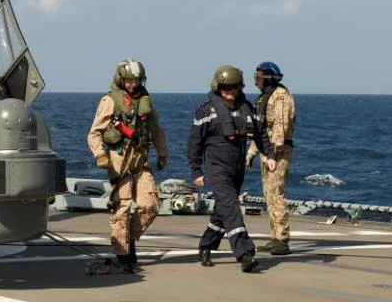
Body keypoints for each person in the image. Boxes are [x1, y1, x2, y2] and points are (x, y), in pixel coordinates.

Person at [187, 64, 276, 273]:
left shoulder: (248, 109)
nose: (230, 91)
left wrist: (269, 155)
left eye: (234, 87)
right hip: (217, 167)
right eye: (226, 88)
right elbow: (194, 143)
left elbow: (261, 134)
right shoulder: (206, 111)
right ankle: (245, 253)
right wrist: (196, 171)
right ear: (218, 87)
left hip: (237, 167)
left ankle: (206, 246)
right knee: (231, 206)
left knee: (224, 209)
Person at [87, 59, 168, 273]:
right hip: (119, 161)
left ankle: (128, 237)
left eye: (137, 80)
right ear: (121, 79)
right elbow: (94, 132)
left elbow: (156, 129)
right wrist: (100, 155)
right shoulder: (110, 101)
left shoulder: (145, 100)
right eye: (129, 80)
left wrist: (162, 153)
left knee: (150, 205)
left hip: (140, 160)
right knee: (121, 207)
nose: (133, 84)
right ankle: (123, 253)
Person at [247, 62, 296, 255]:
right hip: (268, 152)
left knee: (276, 194)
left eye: (259, 77)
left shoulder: (281, 97)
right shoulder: (264, 98)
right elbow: (260, 130)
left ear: (268, 79)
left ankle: (282, 240)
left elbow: (280, 128)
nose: (256, 81)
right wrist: (252, 152)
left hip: (278, 153)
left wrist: (272, 155)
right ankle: (275, 237)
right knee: (269, 196)